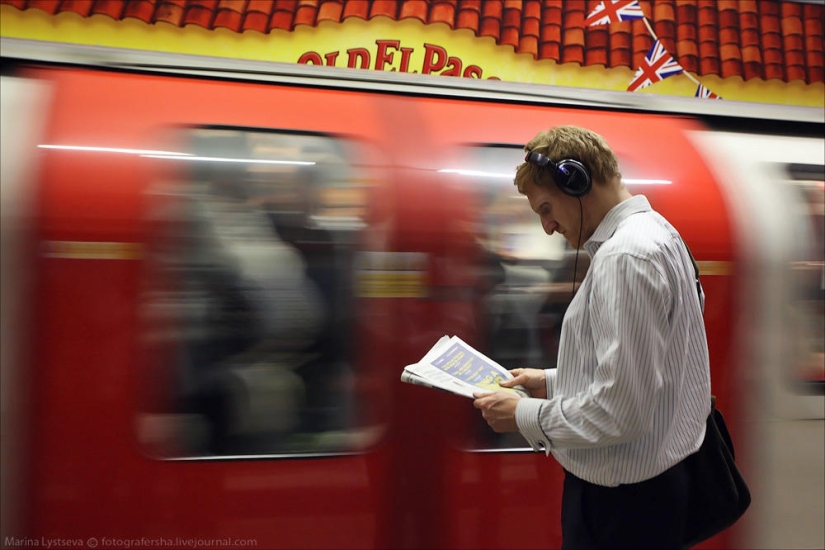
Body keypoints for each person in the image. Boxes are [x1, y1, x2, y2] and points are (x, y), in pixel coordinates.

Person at [472, 126, 711, 549]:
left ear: (577, 181)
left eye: (547, 208)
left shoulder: (627, 258)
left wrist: (524, 415)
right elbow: (650, 369)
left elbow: (622, 410)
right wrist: (550, 382)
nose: (547, 227)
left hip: (624, 509)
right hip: (648, 495)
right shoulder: (660, 234)